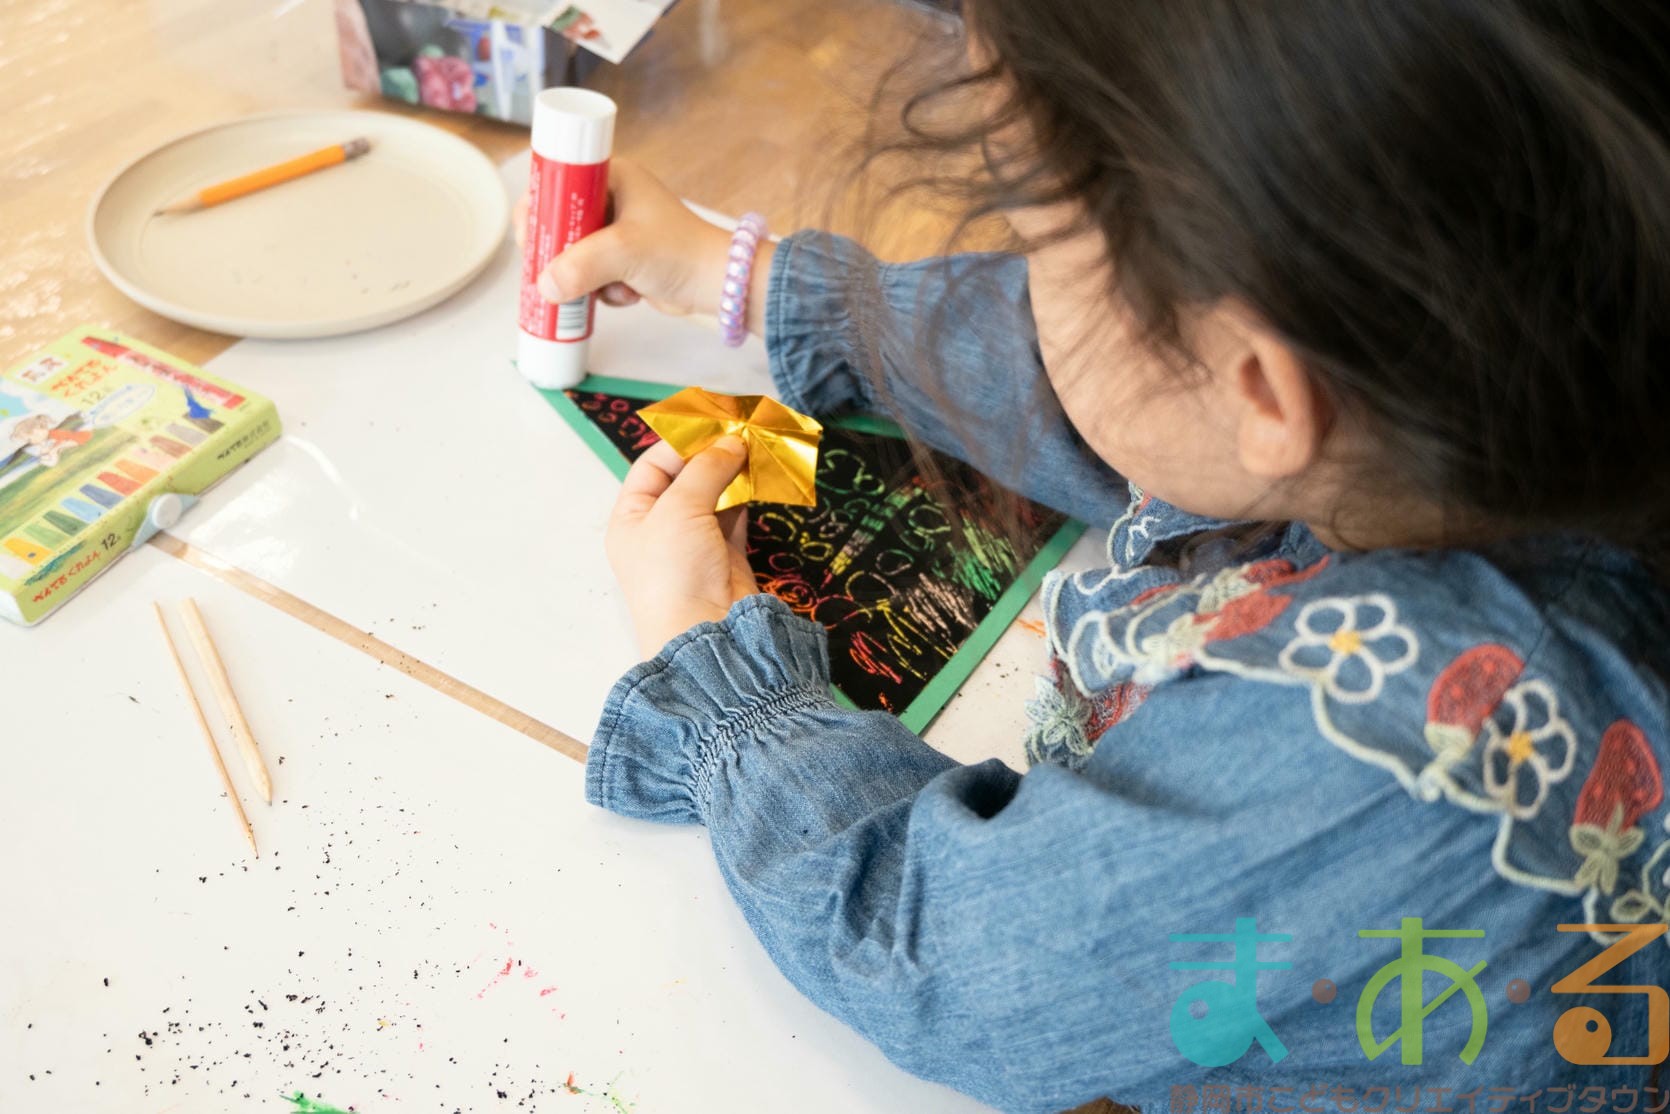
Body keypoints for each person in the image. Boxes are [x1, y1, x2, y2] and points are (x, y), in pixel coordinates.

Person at [531, 2, 1670, 1108]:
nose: (1026, 288)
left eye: (1034, 244)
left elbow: (944, 962)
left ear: (1263, 389)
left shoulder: (1400, 749)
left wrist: (719, 673)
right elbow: (1112, 395)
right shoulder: (1478, 401)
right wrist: (769, 285)